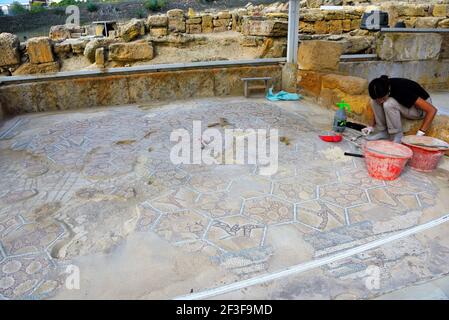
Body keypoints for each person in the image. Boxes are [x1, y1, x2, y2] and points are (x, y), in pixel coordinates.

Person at [364, 75, 438, 143]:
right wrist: (371, 126)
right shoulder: (383, 86)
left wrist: (419, 134)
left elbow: (432, 110)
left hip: (420, 110)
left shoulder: (402, 90)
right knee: (374, 101)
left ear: (388, 91)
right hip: (407, 104)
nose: (380, 102)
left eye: (383, 98)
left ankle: (397, 136)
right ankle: (382, 131)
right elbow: (378, 103)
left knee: (388, 103)